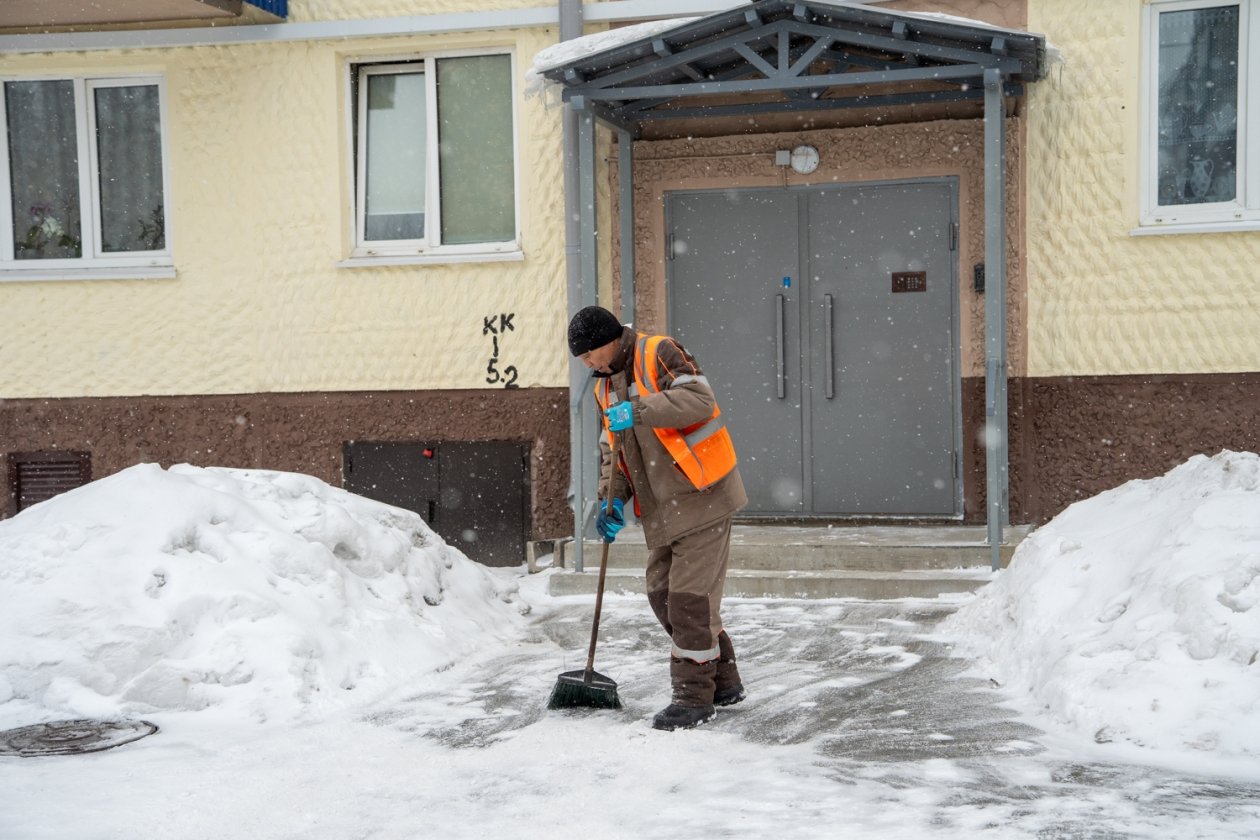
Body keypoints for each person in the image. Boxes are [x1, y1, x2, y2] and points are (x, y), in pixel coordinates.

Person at [567, 305, 748, 731]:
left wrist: (640, 408)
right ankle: (723, 681)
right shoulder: (604, 389)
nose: (586, 365)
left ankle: (693, 698)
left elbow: (699, 400)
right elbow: (615, 452)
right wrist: (611, 501)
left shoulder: (659, 351)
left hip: (703, 494)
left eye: (588, 356)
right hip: (665, 508)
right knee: (662, 594)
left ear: (607, 341)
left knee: (689, 602)